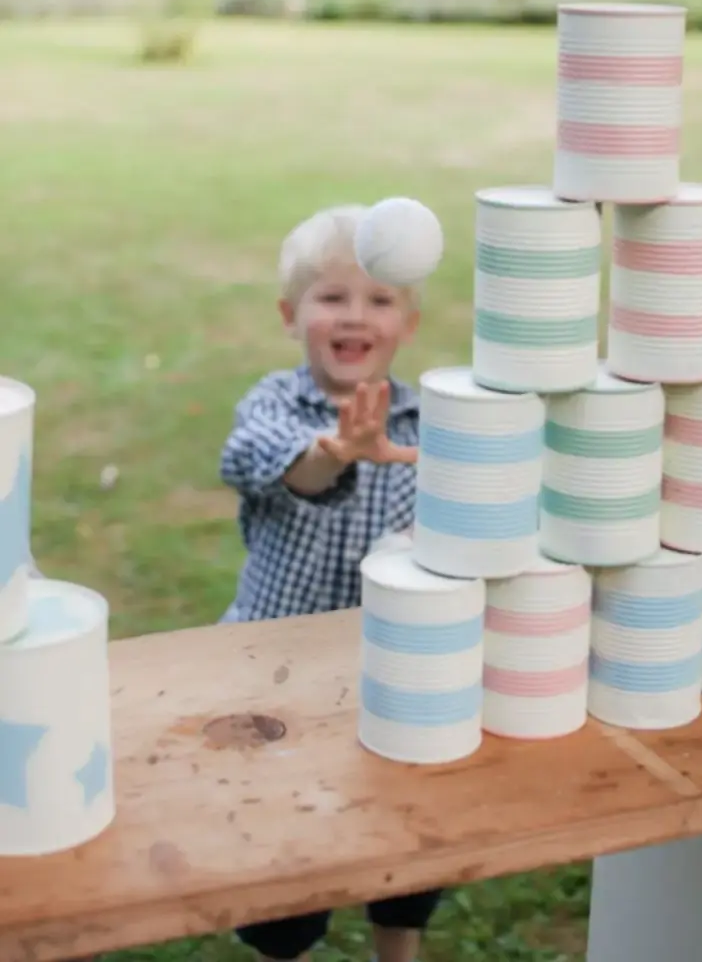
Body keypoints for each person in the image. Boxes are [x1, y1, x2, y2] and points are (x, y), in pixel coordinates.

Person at [219, 204, 441, 962]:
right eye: (331, 297)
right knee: (282, 839)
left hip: (390, 665)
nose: (355, 316)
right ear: (291, 314)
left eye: (379, 299)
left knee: (408, 820)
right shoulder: (273, 405)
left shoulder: (431, 422)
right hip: (272, 672)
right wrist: (339, 451)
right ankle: (288, 947)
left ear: (408, 321)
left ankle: (398, 944)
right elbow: (270, 465)